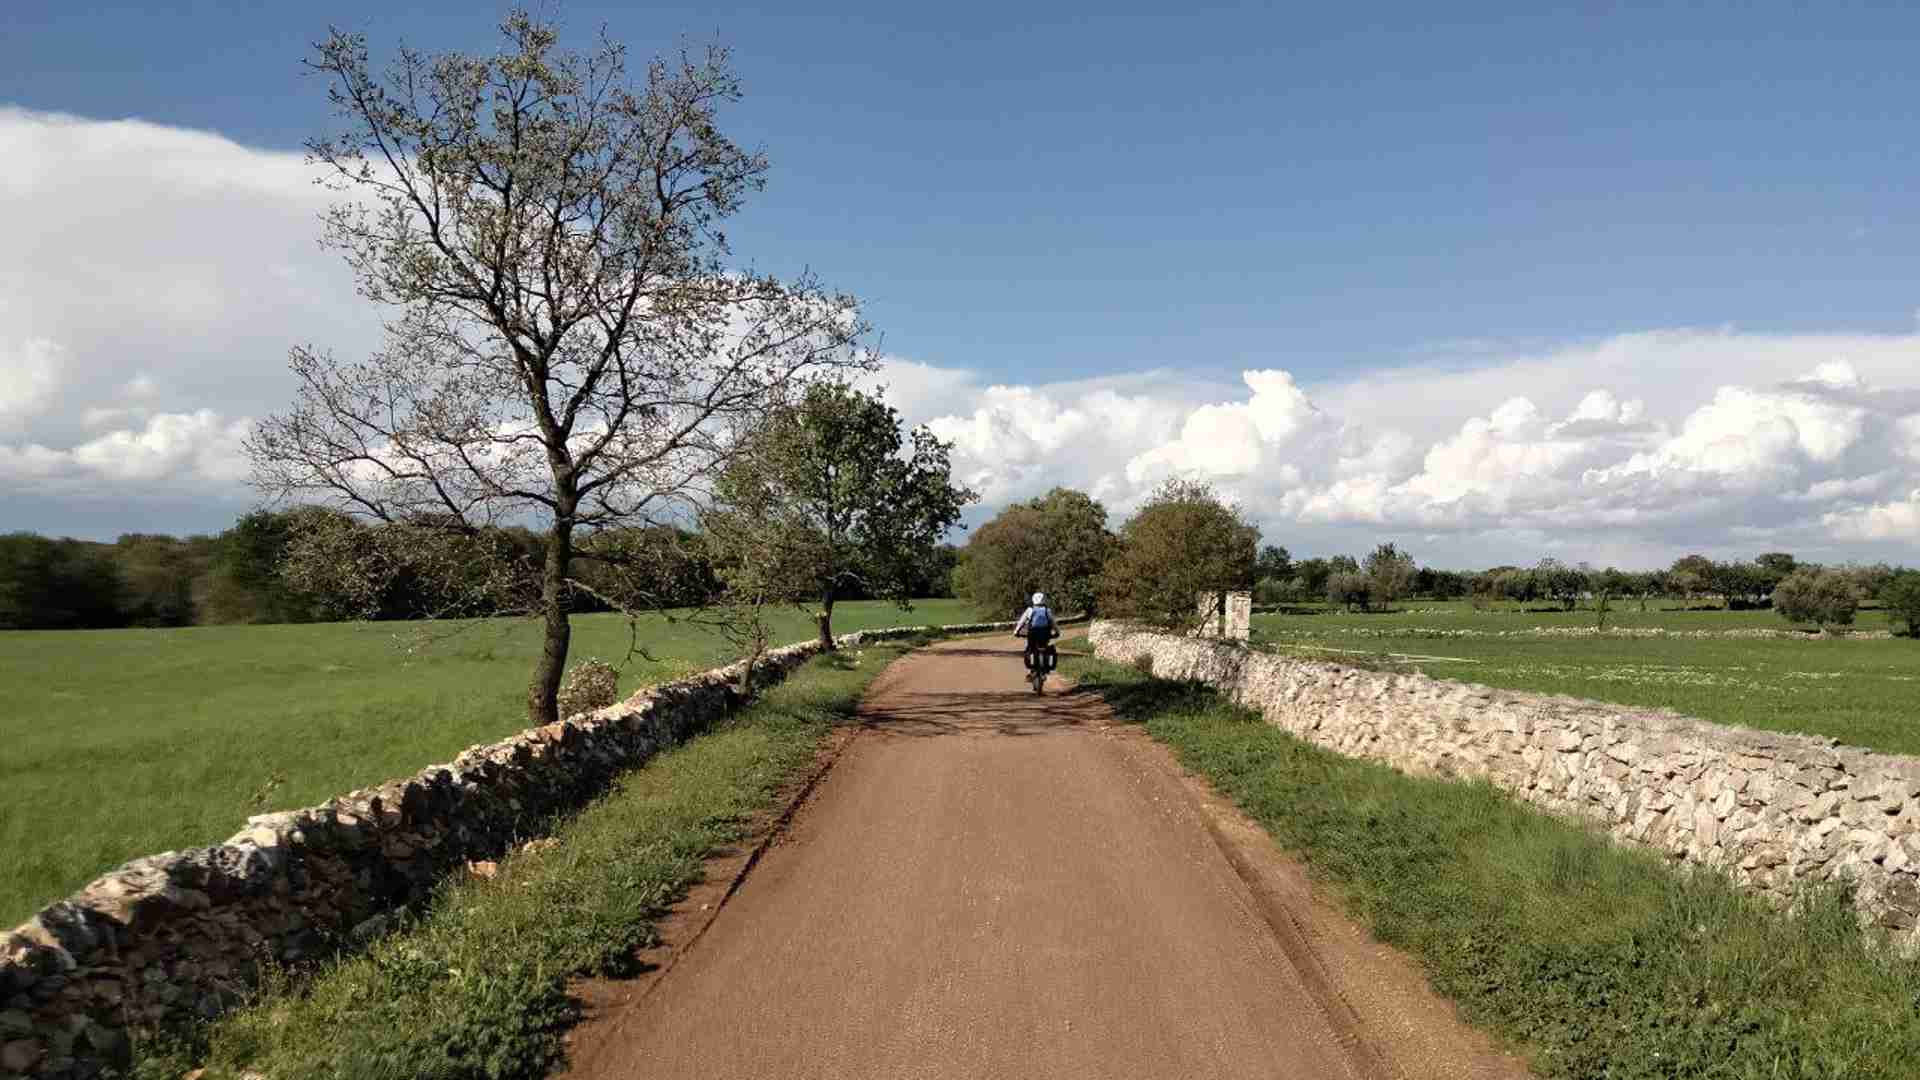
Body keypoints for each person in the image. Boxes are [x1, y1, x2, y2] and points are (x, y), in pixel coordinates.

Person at [1012, 591, 1058, 673]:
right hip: (1045, 634)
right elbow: (1053, 623)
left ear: (1033, 600)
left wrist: (1016, 631)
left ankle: (1030, 670)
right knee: (1046, 647)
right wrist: (1057, 632)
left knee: (1029, 648)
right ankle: (1046, 665)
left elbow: (1021, 622)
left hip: (1032, 633)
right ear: (1044, 600)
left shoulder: (1030, 610)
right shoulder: (1047, 610)